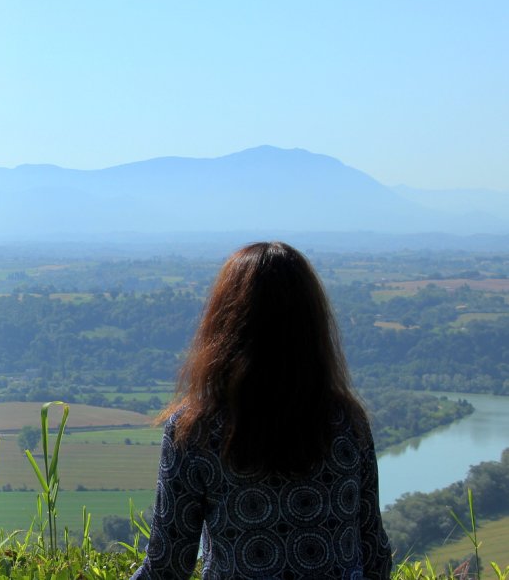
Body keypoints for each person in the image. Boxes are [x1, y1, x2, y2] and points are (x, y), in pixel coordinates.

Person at [131, 242, 391, 579]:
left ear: (225, 323)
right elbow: (374, 552)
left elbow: (167, 567)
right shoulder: (346, 422)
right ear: (311, 325)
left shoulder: (197, 430)